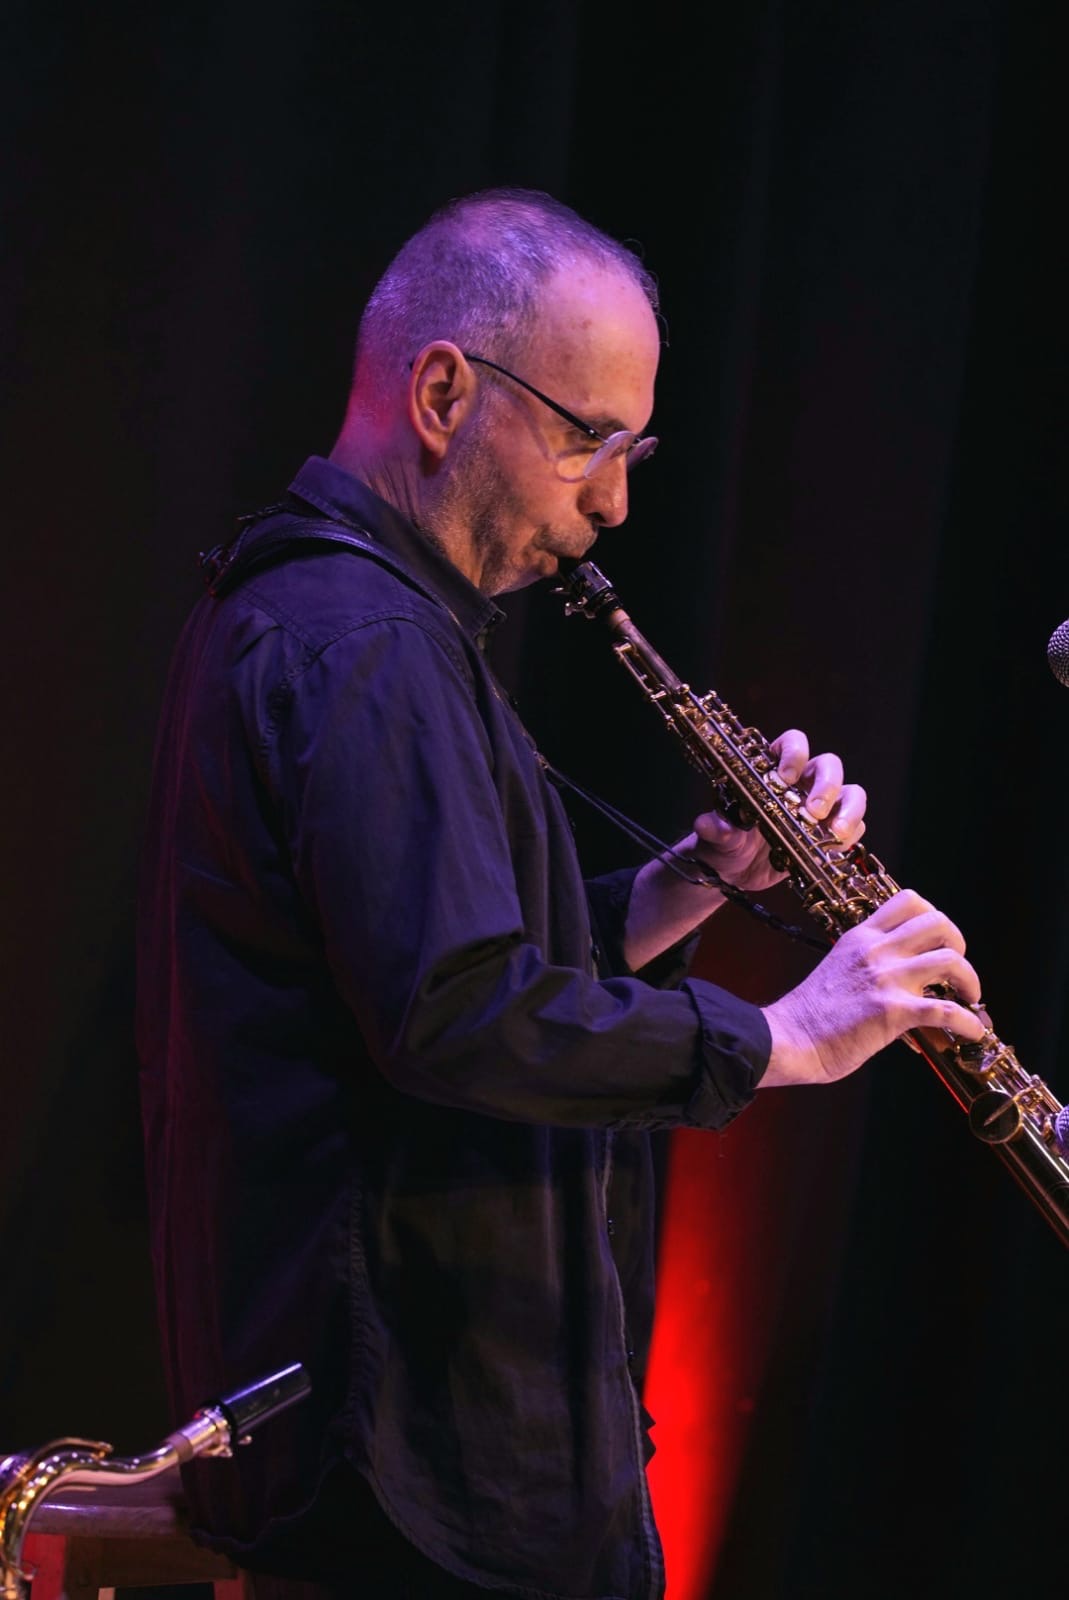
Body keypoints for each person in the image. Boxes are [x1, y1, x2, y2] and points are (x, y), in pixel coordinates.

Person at [135, 186, 985, 1600]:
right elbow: (458, 1014)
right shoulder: (365, 643)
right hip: (413, 1459)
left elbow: (429, 955)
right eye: (587, 438)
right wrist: (786, 1035)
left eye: (633, 450)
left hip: (413, 1446)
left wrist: (688, 884)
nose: (613, 502)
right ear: (443, 393)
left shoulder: (342, 618)